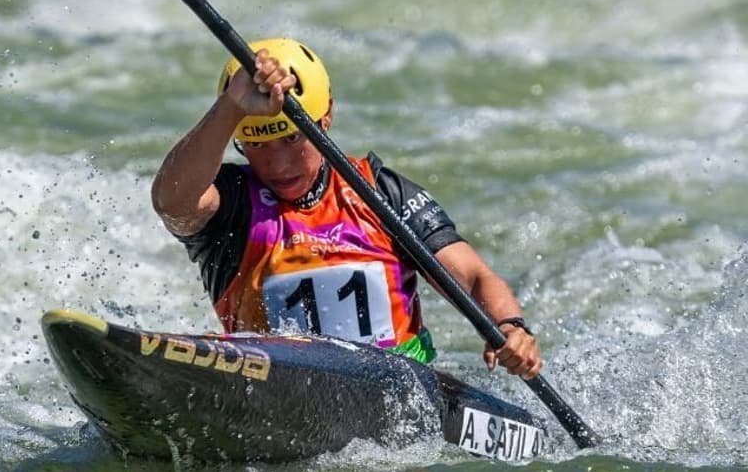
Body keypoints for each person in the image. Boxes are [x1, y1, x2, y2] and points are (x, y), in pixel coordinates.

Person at [151, 38, 542, 379]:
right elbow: (172, 203)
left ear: (327, 118)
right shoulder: (230, 202)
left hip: (400, 387)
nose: (278, 165)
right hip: (276, 387)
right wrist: (230, 109)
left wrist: (510, 328)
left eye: (291, 140)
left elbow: (472, 277)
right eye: (256, 145)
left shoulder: (381, 193)